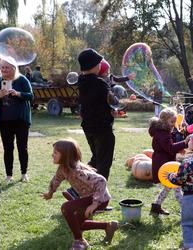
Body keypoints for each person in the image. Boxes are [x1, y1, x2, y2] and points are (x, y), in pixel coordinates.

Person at [41, 139, 118, 250]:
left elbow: (101, 181)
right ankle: (108, 225)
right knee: (76, 225)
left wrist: (95, 203)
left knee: (66, 207)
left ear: (65, 155)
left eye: (55, 153)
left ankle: (80, 241)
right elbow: (56, 180)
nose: (52, 155)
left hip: (100, 199)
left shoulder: (77, 171)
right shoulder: (63, 168)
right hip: (89, 198)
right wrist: (50, 193)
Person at [0, 56, 34, 183]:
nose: (4, 69)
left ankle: (24, 173)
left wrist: (18, 93)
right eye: (2, 67)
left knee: (22, 147)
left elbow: (31, 96)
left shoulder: (22, 79)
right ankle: (9, 175)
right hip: (5, 120)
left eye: (7, 67)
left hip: (21, 120)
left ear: (13, 68)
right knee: (8, 148)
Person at [77, 49, 115, 180]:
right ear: (93, 65)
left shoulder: (81, 82)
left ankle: (77, 188)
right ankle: (100, 195)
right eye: (99, 62)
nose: (100, 64)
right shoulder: (100, 83)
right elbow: (112, 101)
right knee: (103, 163)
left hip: (88, 127)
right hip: (102, 129)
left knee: (96, 158)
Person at [149, 107, 190, 215]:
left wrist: (179, 147)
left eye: (174, 121)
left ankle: (156, 206)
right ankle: (186, 211)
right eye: (172, 121)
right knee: (177, 187)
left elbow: (169, 146)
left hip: (165, 162)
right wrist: (184, 143)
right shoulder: (162, 133)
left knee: (168, 186)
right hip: (163, 164)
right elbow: (170, 148)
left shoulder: (164, 131)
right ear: (164, 120)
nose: (173, 124)